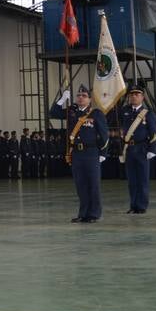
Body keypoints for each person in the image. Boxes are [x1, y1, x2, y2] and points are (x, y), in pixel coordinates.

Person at [50, 85, 108, 223]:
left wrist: (103, 153)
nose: (80, 98)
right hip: (76, 153)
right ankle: (83, 213)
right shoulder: (72, 112)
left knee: (93, 184)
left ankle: (93, 214)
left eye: (84, 96)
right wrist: (62, 99)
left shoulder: (96, 113)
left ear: (89, 99)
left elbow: (104, 135)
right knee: (80, 185)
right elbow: (53, 113)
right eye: (78, 96)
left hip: (91, 153)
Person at [118, 84, 156, 214]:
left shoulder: (148, 113)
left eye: (137, 94)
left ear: (142, 97)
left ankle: (141, 206)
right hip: (129, 149)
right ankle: (133, 205)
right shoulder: (125, 111)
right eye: (132, 95)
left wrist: (152, 149)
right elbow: (121, 131)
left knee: (142, 179)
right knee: (132, 180)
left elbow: (154, 133)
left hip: (142, 148)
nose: (134, 97)